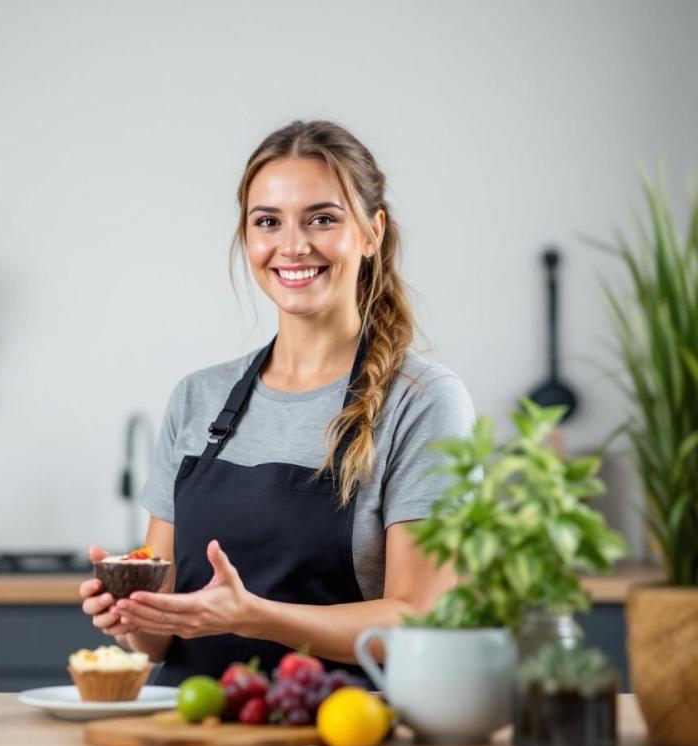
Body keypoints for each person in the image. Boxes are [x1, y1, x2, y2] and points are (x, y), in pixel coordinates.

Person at [79, 120, 475, 684]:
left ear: (372, 233)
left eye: (322, 219)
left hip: (338, 736)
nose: (293, 245)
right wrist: (130, 614)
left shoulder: (422, 401)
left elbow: (418, 620)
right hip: (191, 733)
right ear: (247, 238)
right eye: (268, 222)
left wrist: (256, 618)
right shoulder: (198, 398)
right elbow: (159, 639)